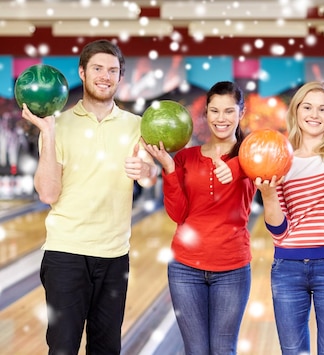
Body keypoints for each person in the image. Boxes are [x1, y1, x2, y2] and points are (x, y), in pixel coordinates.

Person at [20, 39, 158, 354]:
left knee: (107, 348)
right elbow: (48, 193)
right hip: (65, 253)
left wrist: (146, 171)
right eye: (97, 68)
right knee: (63, 348)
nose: (105, 76)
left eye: (112, 70)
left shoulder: (136, 126)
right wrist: (49, 133)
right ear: (82, 72)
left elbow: (150, 179)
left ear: (121, 77)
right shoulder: (57, 124)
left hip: (114, 255)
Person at [143, 81, 256, 355]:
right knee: (195, 350)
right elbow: (178, 214)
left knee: (222, 349)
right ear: (206, 113)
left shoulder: (251, 155)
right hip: (185, 268)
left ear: (241, 112)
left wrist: (236, 167)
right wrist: (169, 168)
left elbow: (263, 159)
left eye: (229, 111)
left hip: (232, 269)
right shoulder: (185, 158)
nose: (221, 118)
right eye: (214, 111)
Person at [255, 81, 324, 355]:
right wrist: (268, 195)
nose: (314, 114)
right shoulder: (280, 160)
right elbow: (279, 231)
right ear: (296, 111)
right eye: (308, 107)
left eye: (323, 108)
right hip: (287, 267)